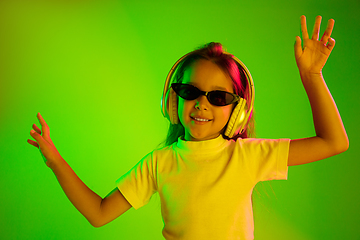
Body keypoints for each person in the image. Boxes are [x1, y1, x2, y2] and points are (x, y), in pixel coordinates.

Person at [27, 15, 349, 240]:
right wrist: (54, 159)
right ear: (173, 101)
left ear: (237, 112)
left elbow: (334, 142)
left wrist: (312, 77)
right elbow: (98, 213)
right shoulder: (160, 163)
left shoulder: (248, 156)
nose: (202, 104)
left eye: (219, 97)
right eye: (190, 92)